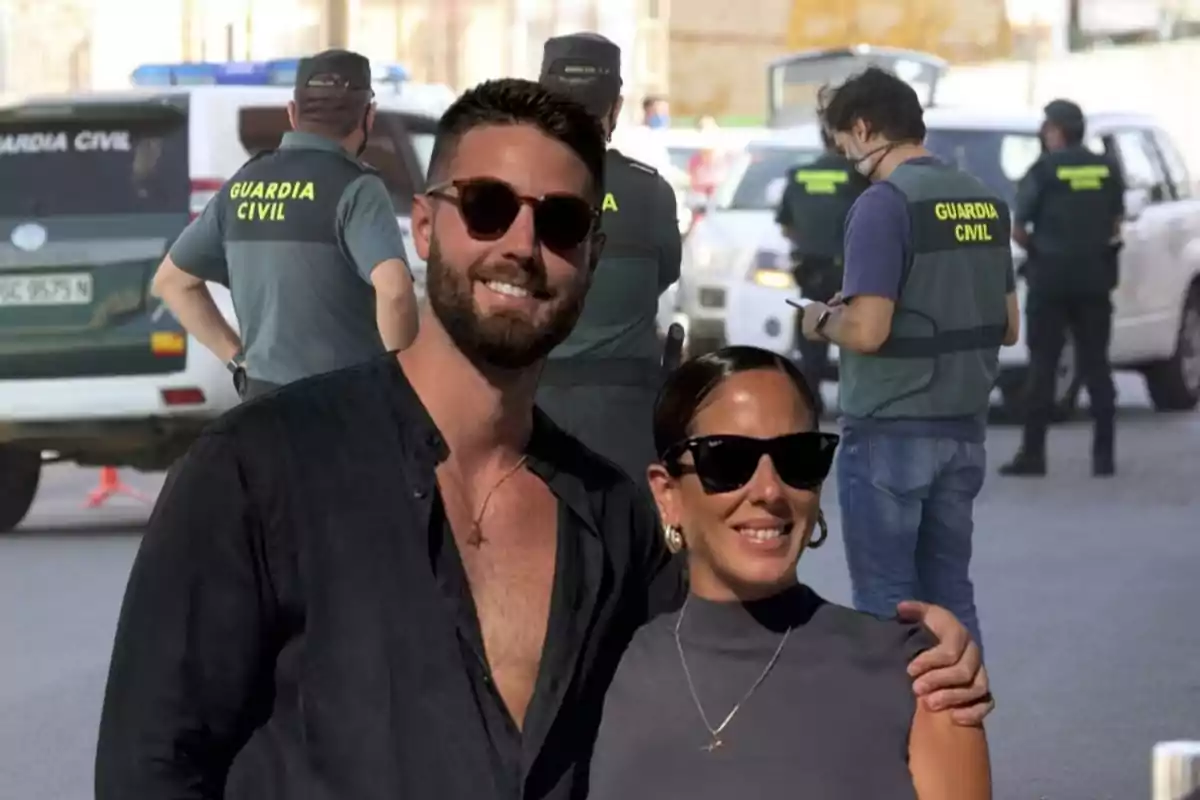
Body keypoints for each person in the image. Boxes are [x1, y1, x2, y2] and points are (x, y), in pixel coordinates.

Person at [95, 78, 991, 800]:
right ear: (423, 224)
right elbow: (150, 768)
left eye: (560, 221)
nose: (522, 244)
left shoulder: (612, 516)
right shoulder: (258, 470)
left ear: (591, 258)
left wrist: (913, 660)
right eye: (487, 206)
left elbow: (721, 677)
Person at [588, 345, 991, 800]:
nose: (768, 490)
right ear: (667, 494)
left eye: (798, 457)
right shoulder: (605, 667)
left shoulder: (921, 675)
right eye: (728, 461)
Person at [800, 68, 1021, 652]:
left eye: (843, 140)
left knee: (886, 602)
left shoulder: (883, 205)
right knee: (951, 595)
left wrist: (820, 319)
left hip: (889, 429)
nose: (845, 154)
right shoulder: (985, 200)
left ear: (865, 128)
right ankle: (961, 730)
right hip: (963, 428)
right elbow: (1011, 327)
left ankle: (898, 740)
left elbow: (869, 330)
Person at [150, 49, 417, 401]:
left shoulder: (242, 185)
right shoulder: (357, 189)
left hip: (262, 407)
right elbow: (395, 292)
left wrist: (237, 361)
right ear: (369, 116)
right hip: (345, 408)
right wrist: (403, 378)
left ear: (292, 113)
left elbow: (172, 282)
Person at [535, 32, 682, 480]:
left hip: (530, 405)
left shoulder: (512, 181)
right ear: (615, 107)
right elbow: (664, 275)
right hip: (625, 418)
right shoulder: (650, 191)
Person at [999, 99, 1125, 477]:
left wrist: (1043, 253)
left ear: (1055, 131)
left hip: (1050, 282)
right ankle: (1104, 458)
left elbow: (1019, 229)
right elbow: (1116, 223)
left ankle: (1033, 455)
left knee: (1043, 368)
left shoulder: (1043, 170)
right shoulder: (1106, 169)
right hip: (1094, 280)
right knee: (1097, 366)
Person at [775, 126, 870, 414]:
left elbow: (786, 224)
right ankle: (853, 400)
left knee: (812, 333)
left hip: (810, 267)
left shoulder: (799, 175)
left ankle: (811, 398)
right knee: (854, 334)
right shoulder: (859, 177)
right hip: (850, 270)